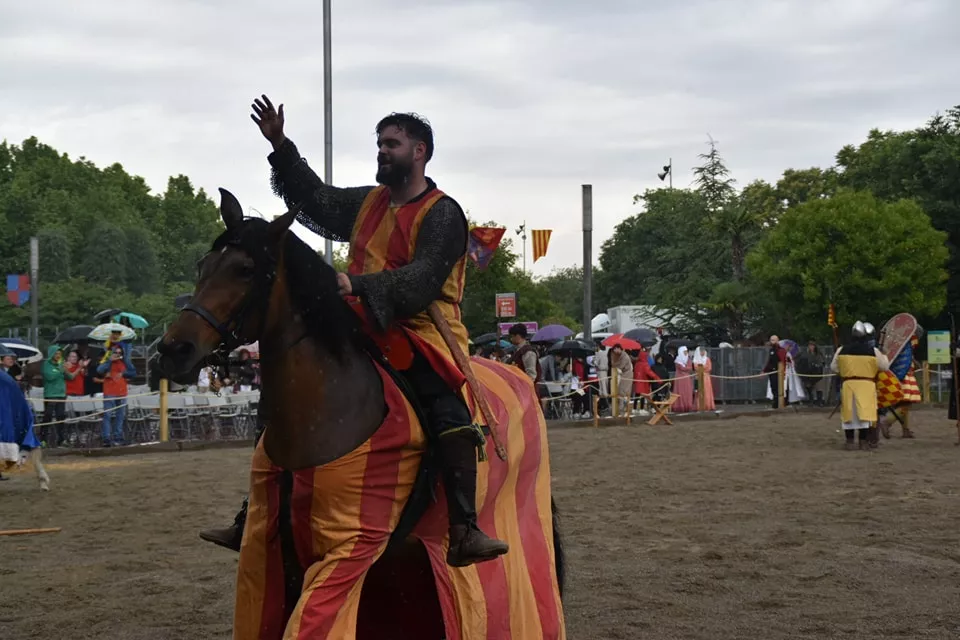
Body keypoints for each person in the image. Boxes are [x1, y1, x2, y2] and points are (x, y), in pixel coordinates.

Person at [199, 95, 508, 567]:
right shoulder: (368, 202)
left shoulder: (444, 213)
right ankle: (253, 515)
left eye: (392, 144)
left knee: (444, 405)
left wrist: (358, 284)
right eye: (379, 143)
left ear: (420, 151)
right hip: (358, 319)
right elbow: (315, 200)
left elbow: (422, 279)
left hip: (420, 328)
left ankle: (464, 527)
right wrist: (280, 144)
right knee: (290, 393)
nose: (382, 150)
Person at [831, 321, 890, 450]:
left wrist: (846, 371)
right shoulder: (873, 351)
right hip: (866, 386)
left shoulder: (841, 350)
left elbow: (834, 367)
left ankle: (850, 441)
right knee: (864, 415)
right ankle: (863, 442)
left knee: (850, 415)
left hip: (848, 385)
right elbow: (884, 367)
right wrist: (884, 355)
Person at [762, 335, 787, 409]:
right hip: (772, 372)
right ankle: (775, 402)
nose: (771, 341)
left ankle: (778, 403)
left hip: (778, 371)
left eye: (773, 340)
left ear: (777, 341)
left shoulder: (781, 350)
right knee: (773, 387)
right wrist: (764, 371)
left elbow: (783, 361)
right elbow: (770, 362)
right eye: (771, 340)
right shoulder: (771, 350)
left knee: (779, 388)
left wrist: (784, 372)